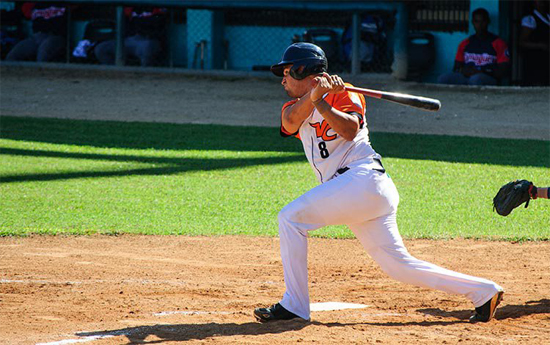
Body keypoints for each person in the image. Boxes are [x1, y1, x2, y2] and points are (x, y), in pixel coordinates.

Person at [254, 42, 504, 324]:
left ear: (304, 72)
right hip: (354, 191)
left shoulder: (346, 94)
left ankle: (295, 305)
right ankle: (484, 292)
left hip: (363, 180)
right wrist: (314, 96)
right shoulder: (294, 106)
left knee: (290, 218)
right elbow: (289, 122)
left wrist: (322, 100)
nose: (283, 79)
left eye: (287, 72)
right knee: (398, 266)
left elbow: (349, 131)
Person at [438, 8, 510, 86]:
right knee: (444, 78)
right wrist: (464, 71)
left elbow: (503, 71)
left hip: (488, 78)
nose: (480, 25)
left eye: (483, 21)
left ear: (488, 22)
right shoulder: (465, 43)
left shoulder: (498, 43)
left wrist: (483, 72)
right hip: (466, 77)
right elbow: (456, 68)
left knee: (476, 79)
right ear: (472, 22)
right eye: (477, 21)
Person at [94, 6, 166, 67]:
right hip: (128, 40)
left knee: (147, 48)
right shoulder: (129, 6)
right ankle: (119, 75)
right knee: (101, 48)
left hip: (148, 40)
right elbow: (123, 25)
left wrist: (137, 22)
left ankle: (145, 77)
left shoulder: (157, 5)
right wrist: (141, 23)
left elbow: (158, 23)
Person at [519, 0, 549, 86]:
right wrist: (541, 45)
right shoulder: (530, 19)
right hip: (536, 61)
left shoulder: (548, 17)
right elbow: (522, 42)